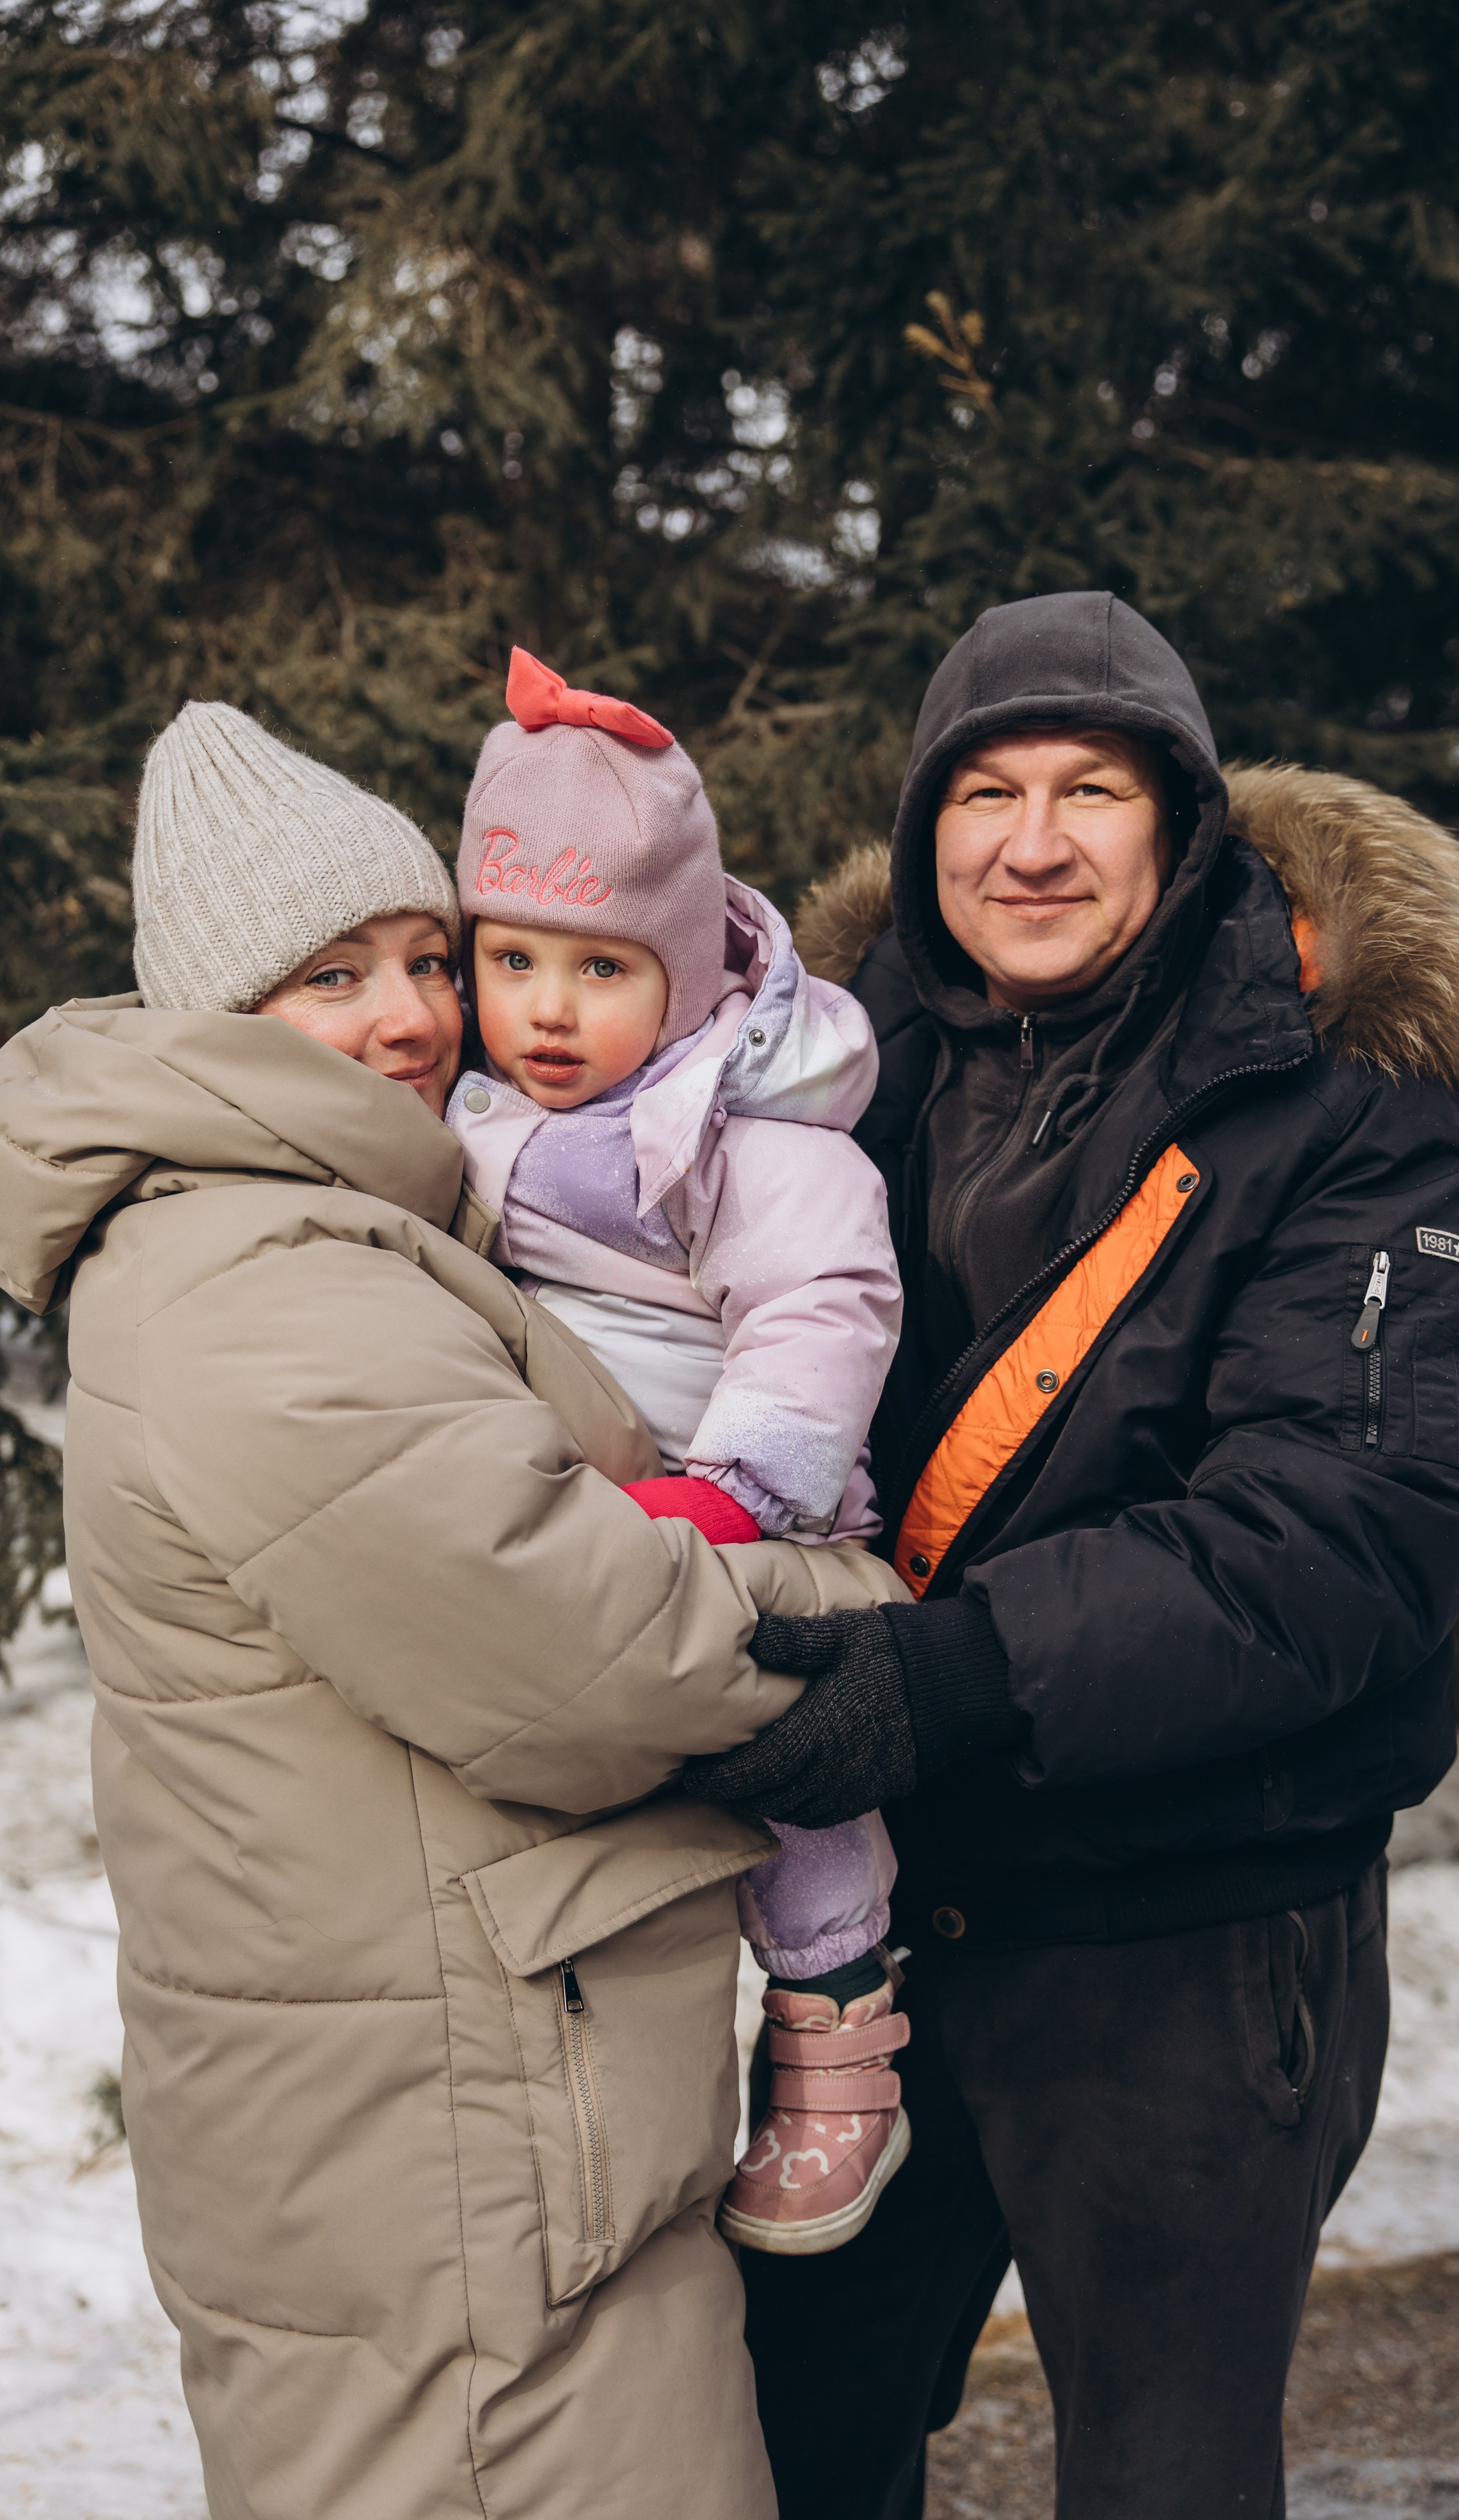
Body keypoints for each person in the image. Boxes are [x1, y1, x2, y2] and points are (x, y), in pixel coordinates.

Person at [0, 699, 906, 2520]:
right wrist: (866, 1618)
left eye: (421, 958)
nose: (409, 1018)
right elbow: (583, 1652)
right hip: (440, 2119)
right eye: (332, 978)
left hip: (432, 2086)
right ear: (220, 1010)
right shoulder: (266, 1286)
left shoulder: (335, 1222)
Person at [687, 590, 1459, 2520]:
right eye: (985, 794)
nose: (1032, 843)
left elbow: (1350, 1529)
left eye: (1090, 791)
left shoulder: (1351, 1114)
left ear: (1185, 826)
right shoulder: (834, 1087)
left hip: (1189, 1943)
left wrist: (963, 1671)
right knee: (765, 2492)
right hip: (881, 1933)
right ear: (924, 830)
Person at [451, 647, 910, 2254]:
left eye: (599, 968)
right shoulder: (476, 1121)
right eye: (511, 960)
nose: (547, 1010)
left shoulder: (751, 1138)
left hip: (754, 1514)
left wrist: (737, 1491)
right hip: (588, 1522)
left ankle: (838, 2040)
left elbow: (822, 1306)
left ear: (688, 974)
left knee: (794, 1787)